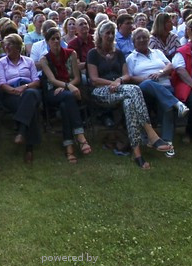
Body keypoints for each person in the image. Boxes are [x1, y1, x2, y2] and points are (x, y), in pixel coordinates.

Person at [87, 21, 172, 167]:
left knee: (129, 103)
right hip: (101, 91)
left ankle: (137, 154)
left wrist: (119, 80)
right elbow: (94, 79)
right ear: (100, 35)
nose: (110, 35)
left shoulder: (118, 53)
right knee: (135, 89)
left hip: (121, 89)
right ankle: (150, 133)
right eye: (107, 32)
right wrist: (112, 83)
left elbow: (126, 75)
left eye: (112, 32)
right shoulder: (93, 53)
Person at [39, 27, 92, 163]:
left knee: (65, 104)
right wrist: (68, 86)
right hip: (53, 91)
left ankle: (69, 147)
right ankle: (80, 136)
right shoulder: (44, 60)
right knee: (68, 96)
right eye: (53, 39)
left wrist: (69, 86)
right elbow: (52, 80)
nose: (56, 41)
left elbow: (77, 77)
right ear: (47, 42)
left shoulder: (71, 54)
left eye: (58, 38)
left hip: (69, 90)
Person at [0, 33, 42, 164]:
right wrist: (15, 91)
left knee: (30, 95)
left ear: (18, 47)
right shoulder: (1, 62)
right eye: (5, 45)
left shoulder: (29, 61)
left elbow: (36, 81)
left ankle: (21, 132)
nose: (6, 47)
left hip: (29, 89)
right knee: (30, 107)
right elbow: (2, 83)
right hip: (10, 94)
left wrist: (24, 87)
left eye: (10, 44)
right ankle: (29, 149)